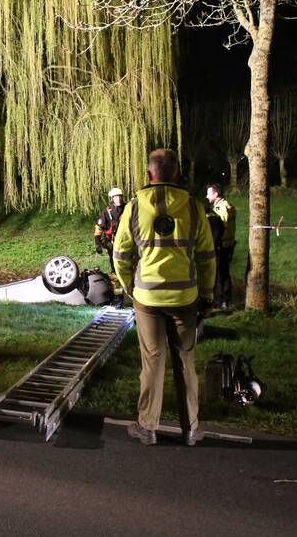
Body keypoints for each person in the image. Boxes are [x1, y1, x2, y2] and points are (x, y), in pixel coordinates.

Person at [113, 149, 215, 446]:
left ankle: (148, 427)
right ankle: (192, 429)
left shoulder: (133, 208)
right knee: (185, 360)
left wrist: (131, 286)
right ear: (178, 174)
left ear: (149, 175)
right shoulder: (195, 209)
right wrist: (207, 294)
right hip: (185, 298)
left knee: (153, 361)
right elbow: (208, 257)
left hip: (148, 298)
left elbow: (121, 255)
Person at [205, 183, 236, 309]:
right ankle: (223, 300)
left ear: (216, 194)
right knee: (223, 273)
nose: (207, 196)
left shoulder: (222, 208)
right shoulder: (225, 205)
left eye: (209, 193)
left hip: (222, 246)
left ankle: (222, 301)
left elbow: (219, 226)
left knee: (220, 274)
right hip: (226, 245)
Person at [94, 187, 126, 272]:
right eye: (115, 197)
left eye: (120, 196)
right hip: (112, 241)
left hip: (126, 239)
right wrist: (98, 243)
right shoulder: (107, 212)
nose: (118, 199)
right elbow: (99, 228)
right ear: (112, 199)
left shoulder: (128, 209)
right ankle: (115, 273)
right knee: (113, 258)